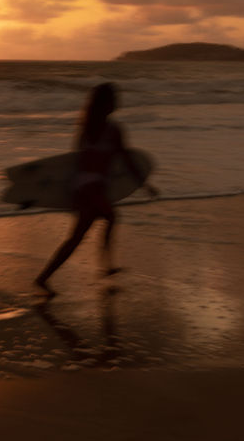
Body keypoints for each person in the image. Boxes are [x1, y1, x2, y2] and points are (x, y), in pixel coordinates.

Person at [35, 82, 157, 296]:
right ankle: (103, 267)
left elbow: (75, 162)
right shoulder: (113, 130)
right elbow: (126, 159)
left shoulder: (85, 127)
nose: (117, 101)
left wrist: (70, 190)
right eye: (113, 98)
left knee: (81, 234)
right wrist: (144, 184)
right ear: (106, 103)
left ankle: (46, 277)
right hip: (92, 188)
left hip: (82, 186)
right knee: (108, 219)